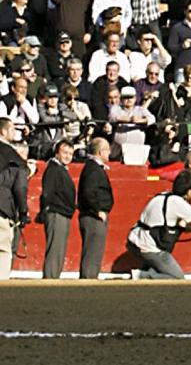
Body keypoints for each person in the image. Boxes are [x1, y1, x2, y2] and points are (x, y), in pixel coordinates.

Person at [126, 168, 191, 279]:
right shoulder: (178, 203)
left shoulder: (165, 196)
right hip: (149, 247)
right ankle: (140, 275)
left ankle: (146, 274)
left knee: (160, 269)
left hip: (136, 240)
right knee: (177, 278)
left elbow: (182, 226)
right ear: (190, 191)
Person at [38, 135, 76, 279]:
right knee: (55, 249)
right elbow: (48, 192)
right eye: (65, 153)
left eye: (70, 154)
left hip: (61, 212)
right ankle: (51, 279)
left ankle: (53, 278)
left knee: (58, 248)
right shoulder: (54, 168)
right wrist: (47, 208)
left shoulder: (59, 169)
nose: (68, 156)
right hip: (56, 212)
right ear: (57, 153)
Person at [76, 135, 113, 279]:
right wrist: (97, 210)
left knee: (94, 251)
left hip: (93, 215)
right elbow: (88, 193)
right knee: (93, 252)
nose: (109, 153)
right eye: (107, 150)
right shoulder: (93, 169)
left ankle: (89, 280)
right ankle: (88, 282)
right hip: (93, 216)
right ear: (100, 152)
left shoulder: (93, 168)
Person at [0, 116, 29, 279]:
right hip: (2, 207)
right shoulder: (12, 156)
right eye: (12, 129)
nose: (15, 132)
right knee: (3, 250)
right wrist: (23, 212)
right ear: (3, 132)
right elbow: (20, 187)